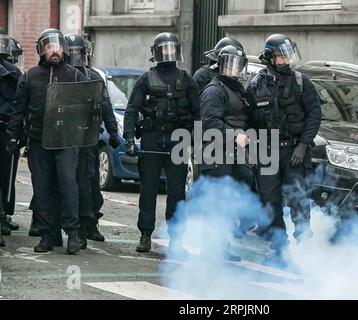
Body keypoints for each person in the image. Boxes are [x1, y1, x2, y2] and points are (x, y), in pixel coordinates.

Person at [7, 28, 87, 254]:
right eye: (50, 46)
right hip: (39, 141)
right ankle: (47, 235)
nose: (55, 50)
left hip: (66, 141)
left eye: (58, 46)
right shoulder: (30, 76)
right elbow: (18, 109)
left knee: (68, 185)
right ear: (42, 50)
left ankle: (72, 233)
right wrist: (13, 136)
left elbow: (86, 108)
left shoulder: (74, 75)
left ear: (64, 49)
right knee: (42, 189)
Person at [246, 34, 321, 266]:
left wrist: (303, 145)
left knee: (299, 199)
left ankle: (305, 247)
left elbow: (314, 116)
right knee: (270, 202)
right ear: (269, 57)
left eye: (289, 55)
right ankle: (280, 250)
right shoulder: (256, 84)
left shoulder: (301, 82)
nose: (286, 60)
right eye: (281, 56)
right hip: (267, 152)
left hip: (293, 152)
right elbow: (247, 120)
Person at [123, 32, 200, 255]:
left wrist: (198, 142)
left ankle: (176, 239)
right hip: (152, 137)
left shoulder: (187, 80)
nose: (167, 53)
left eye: (171, 49)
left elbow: (197, 114)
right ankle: (145, 235)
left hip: (178, 139)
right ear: (156, 53)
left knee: (177, 192)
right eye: (163, 49)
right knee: (148, 189)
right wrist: (129, 138)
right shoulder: (145, 79)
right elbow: (131, 110)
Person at [199, 44, 254, 261]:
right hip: (215, 154)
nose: (233, 70)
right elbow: (210, 122)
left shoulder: (237, 90)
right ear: (219, 66)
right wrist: (234, 135)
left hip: (233, 153)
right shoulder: (214, 90)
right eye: (229, 65)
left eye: (236, 66)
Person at [65, 34, 120, 249]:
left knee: (89, 184)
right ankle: (73, 226)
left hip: (88, 138)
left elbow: (105, 105)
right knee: (72, 183)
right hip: (66, 139)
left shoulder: (95, 77)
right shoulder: (62, 75)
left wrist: (113, 132)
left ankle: (89, 224)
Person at [0, 28, 22, 245]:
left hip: (7, 129)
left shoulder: (14, 73)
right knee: (7, 176)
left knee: (7, 176)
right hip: (8, 130)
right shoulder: (15, 73)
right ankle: (4, 216)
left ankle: (4, 215)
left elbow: (20, 104)